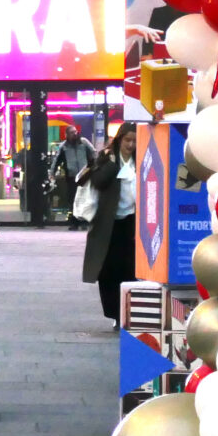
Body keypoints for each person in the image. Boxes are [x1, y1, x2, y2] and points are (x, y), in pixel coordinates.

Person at [82, 122, 140, 324]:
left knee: (130, 269)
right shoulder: (107, 158)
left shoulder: (140, 160)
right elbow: (98, 181)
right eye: (127, 140)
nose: (131, 145)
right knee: (108, 270)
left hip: (132, 222)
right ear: (119, 139)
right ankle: (115, 313)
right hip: (109, 223)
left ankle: (129, 313)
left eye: (134, 141)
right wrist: (112, 164)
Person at [53, 128, 94, 223]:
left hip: (85, 175)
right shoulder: (63, 146)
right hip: (71, 176)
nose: (75, 134)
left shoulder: (84, 142)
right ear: (66, 135)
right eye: (72, 133)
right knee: (73, 199)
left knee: (85, 198)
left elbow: (93, 153)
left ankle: (84, 221)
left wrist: (93, 167)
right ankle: (74, 222)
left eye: (75, 132)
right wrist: (53, 173)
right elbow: (56, 161)